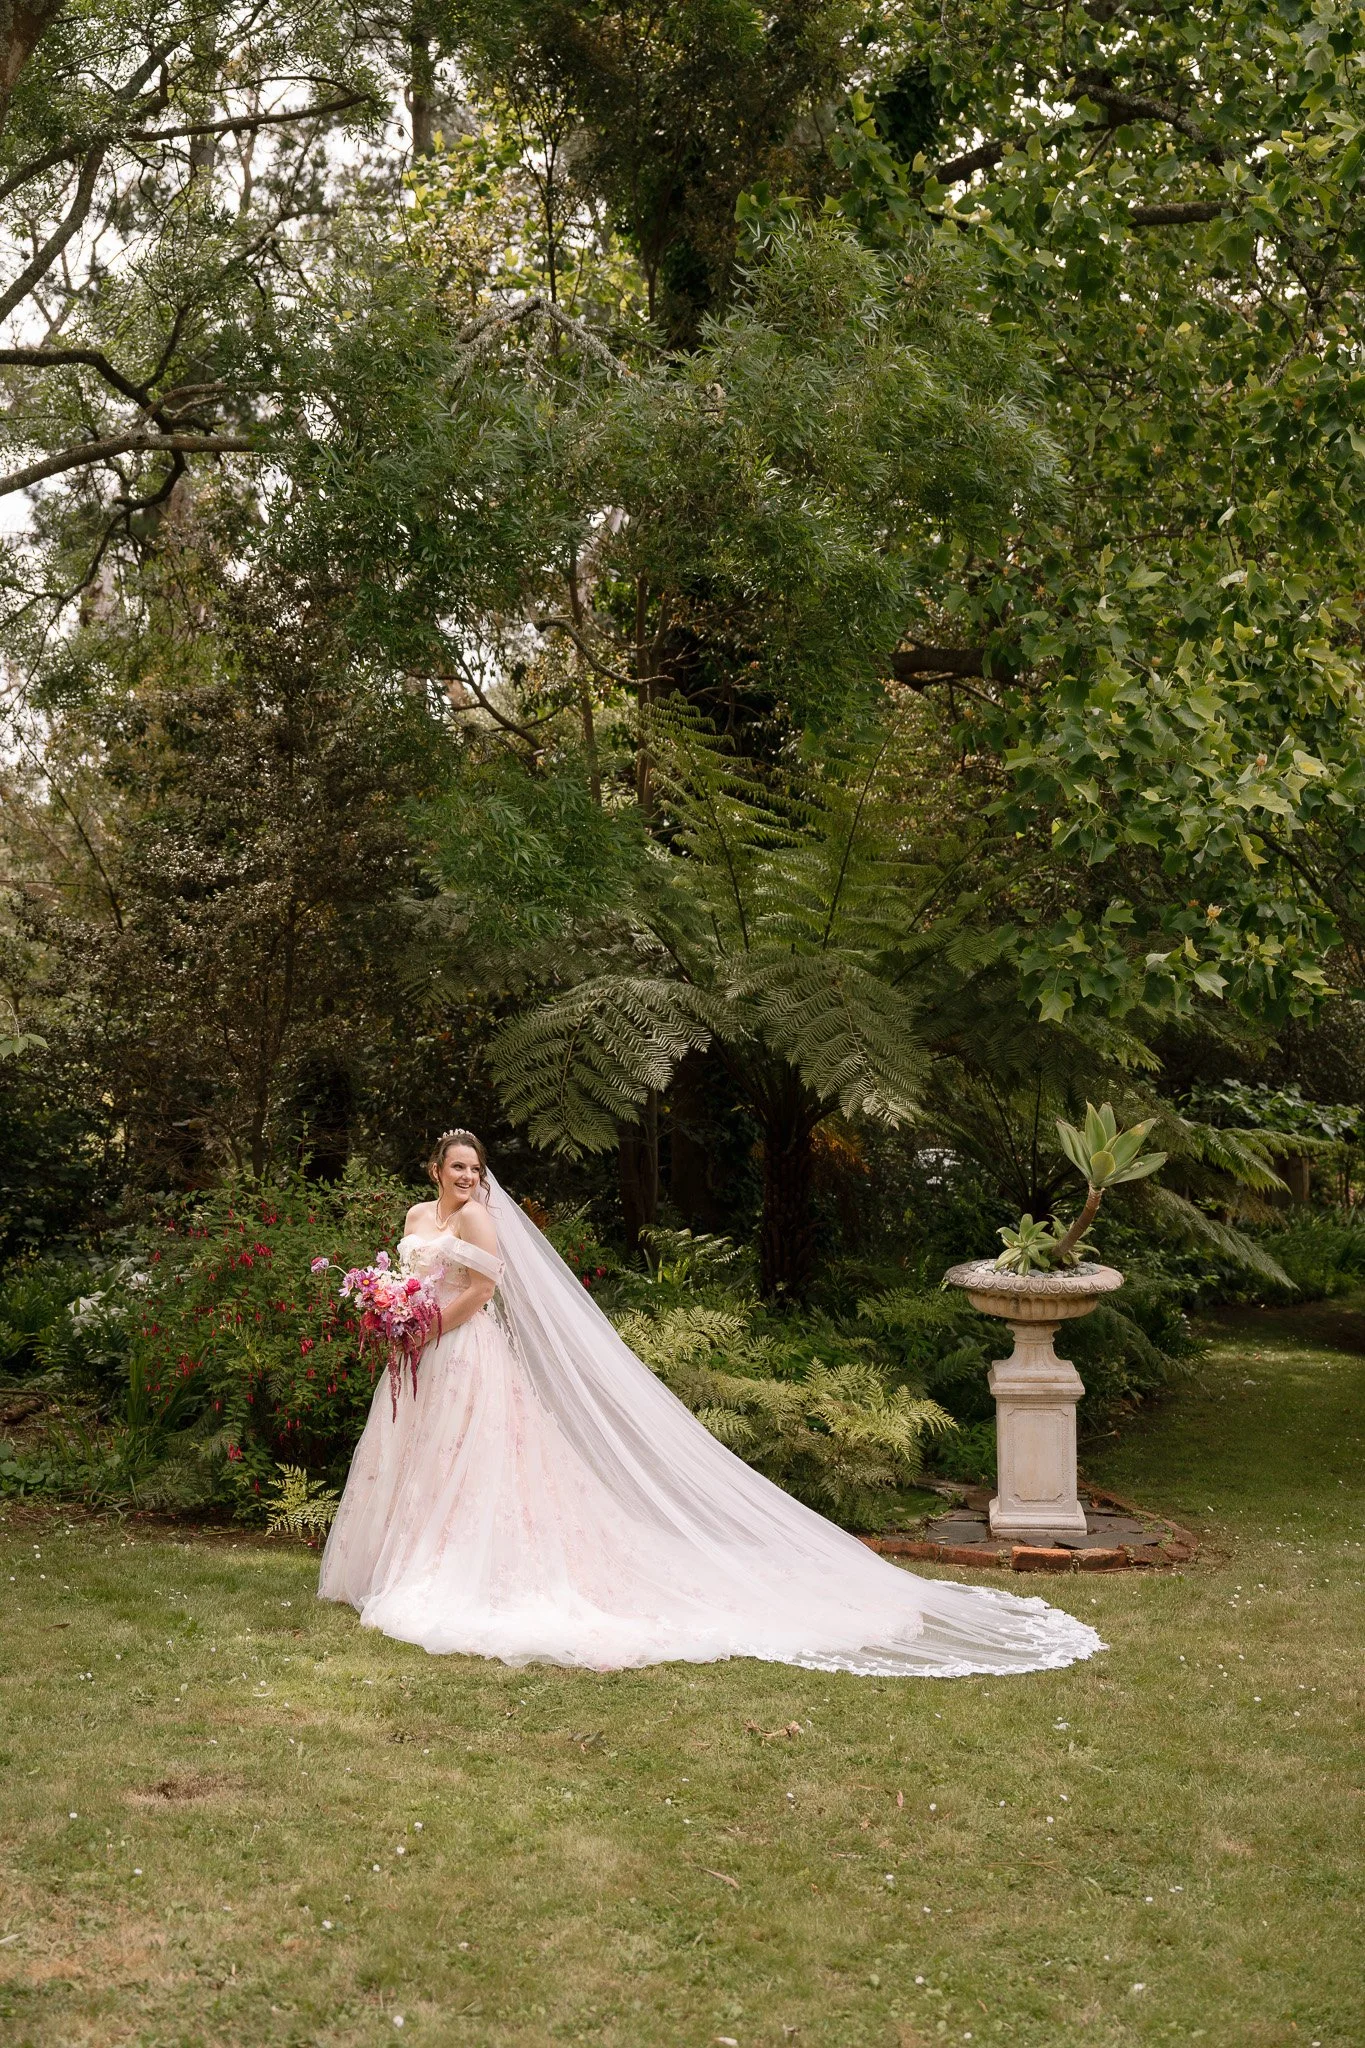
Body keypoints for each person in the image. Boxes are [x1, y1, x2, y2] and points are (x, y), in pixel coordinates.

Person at [319, 1131, 1104, 1677]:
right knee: (419, 1459)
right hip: (418, 1357)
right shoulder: (418, 1218)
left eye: (474, 1168)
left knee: (475, 1463)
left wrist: (426, 1327)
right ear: (433, 1169)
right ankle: (398, 1560)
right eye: (456, 1168)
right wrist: (396, 1315)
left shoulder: (480, 1217)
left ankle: (461, 1568)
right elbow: (411, 1278)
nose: (466, 1178)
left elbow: (484, 1289)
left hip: (463, 1353)